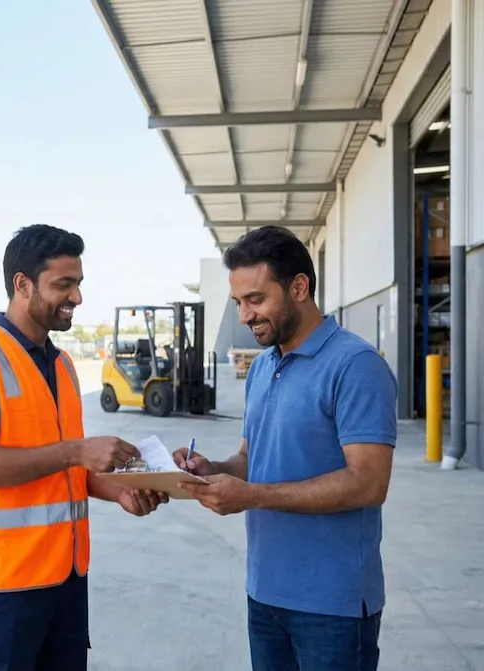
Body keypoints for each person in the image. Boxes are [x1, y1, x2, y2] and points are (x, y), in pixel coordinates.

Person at [0, 223, 166, 671]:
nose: (77, 297)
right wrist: (77, 451)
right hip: (2, 588)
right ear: (23, 285)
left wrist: (121, 490)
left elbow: (68, 472)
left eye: (78, 283)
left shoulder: (61, 365)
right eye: (63, 284)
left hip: (65, 580)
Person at [173, 226, 397, 671]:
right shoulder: (263, 367)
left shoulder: (355, 366)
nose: (244, 315)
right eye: (238, 303)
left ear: (299, 287)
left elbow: (368, 483)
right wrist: (209, 468)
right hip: (265, 592)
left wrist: (252, 496)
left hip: (332, 605)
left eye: (255, 299)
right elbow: (249, 460)